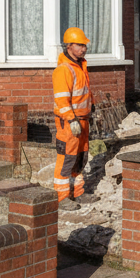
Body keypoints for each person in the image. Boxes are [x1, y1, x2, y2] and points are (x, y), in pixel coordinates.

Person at [52, 27, 93, 203]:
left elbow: (84, 93)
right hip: (69, 122)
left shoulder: (80, 67)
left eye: (84, 45)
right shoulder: (64, 70)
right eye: (79, 45)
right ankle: (62, 198)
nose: (83, 49)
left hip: (82, 121)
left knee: (80, 158)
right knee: (66, 158)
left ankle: (77, 192)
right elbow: (62, 100)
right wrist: (71, 119)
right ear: (69, 46)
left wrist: (92, 109)